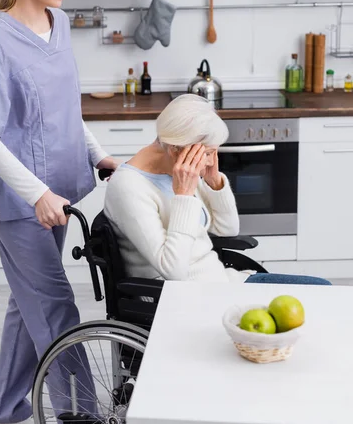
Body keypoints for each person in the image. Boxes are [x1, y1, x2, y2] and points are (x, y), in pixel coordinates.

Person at [0, 0, 119, 424]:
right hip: (21, 201)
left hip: (62, 188)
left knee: (26, 301)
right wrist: (38, 192)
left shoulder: (62, 23)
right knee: (55, 307)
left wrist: (98, 154)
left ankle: (7, 409)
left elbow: (63, 109)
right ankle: (83, 420)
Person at [104, 94, 331, 286]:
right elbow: (173, 272)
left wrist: (214, 183)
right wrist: (183, 196)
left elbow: (227, 230)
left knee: (324, 291)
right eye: (209, 152)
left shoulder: (180, 169)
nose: (211, 161)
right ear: (176, 149)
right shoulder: (128, 188)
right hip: (184, 299)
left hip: (220, 282)